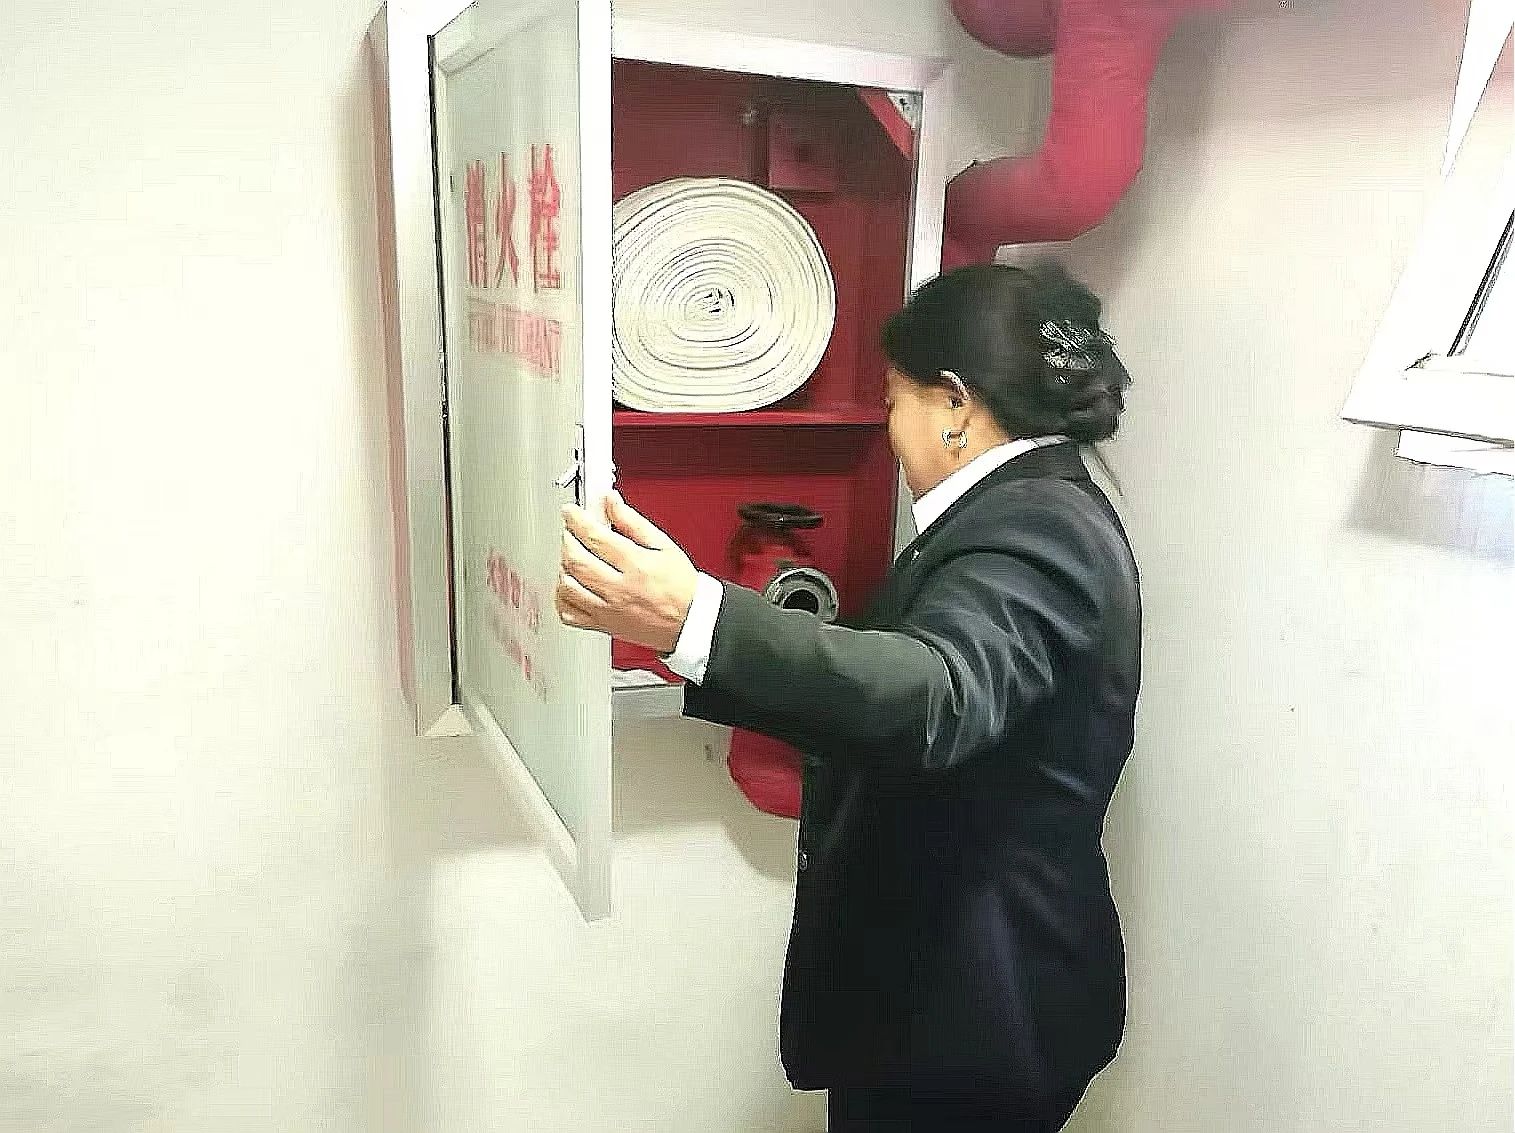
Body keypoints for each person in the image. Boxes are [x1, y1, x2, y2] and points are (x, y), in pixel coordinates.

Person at [557, 261, 1141, 1132]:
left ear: (954, 404)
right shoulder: (1025, 508)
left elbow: (938, 693)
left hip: (977, 1012)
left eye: (893, 400)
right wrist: (700, 638)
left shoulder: (1035, 525)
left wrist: (699, 618)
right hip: (958, 990)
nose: (890, 429)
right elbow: (907, 686)